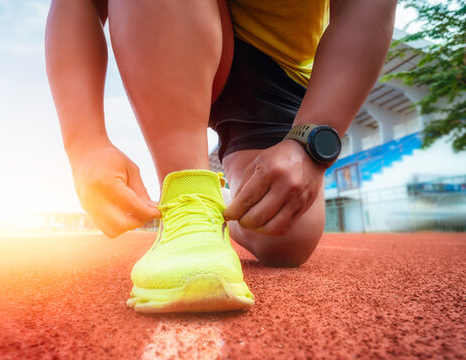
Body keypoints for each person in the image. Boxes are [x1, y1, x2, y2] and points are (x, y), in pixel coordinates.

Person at [45, 0, 397, 313]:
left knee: (287, 239)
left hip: (278, 62)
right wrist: (85, 144)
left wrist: (308, 146)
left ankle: (218, 202)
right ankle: (189, 198)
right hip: (166, 21)